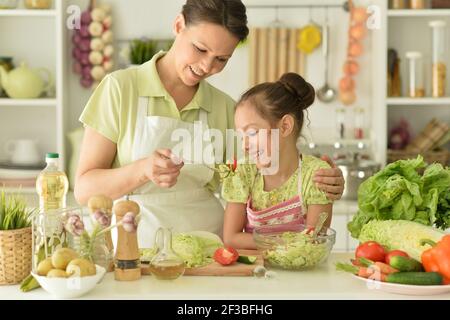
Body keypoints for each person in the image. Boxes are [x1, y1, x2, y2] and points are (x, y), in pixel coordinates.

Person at [75, 0, 344, 248]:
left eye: (221, 59)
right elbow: (85, 191)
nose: (206, 66)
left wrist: (317, 179)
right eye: (200, 49)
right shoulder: (121, 88)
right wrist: (143, 169)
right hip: (136, 248)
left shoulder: (224, 107)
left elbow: (261, 178)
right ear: (179, 25)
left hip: (209, 251)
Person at [222, 73, 334, 249]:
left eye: (251, 133)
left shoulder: (315, 175)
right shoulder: (243, 172)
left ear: (285, 126)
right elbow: (231, 238)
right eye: (240, 136)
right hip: (255, 273)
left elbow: (315, 242)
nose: (244, 145)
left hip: (302, 273)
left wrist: (268, 244)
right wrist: (283, 244)